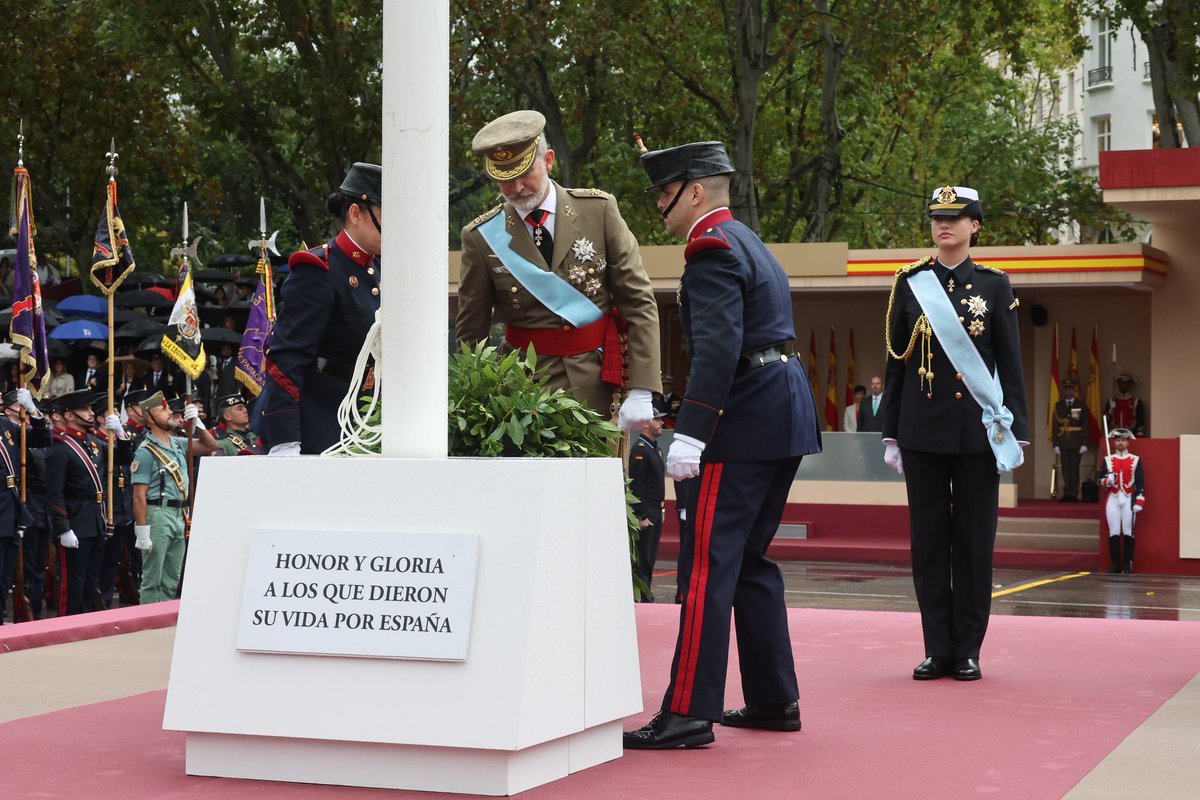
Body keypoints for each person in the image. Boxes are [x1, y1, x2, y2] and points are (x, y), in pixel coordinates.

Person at [623, 141, 821, 750]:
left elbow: (717, 348)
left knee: (706, 567)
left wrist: (693, 434)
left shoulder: (708, 249)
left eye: (665, 192)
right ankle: (772, 697)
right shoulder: (748, 241)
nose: (660, 204)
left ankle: (687, 711)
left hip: (741, 424)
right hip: (781, 415)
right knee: (751, 562)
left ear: (696, 192)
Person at [880, 185, 1028, 682]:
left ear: (975, 226)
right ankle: (936, 647)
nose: (944, 226)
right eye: (936, 218)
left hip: (976, 434)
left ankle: (967, 648)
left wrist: (1017, 431)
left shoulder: (995, 285)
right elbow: (896, 364)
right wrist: (892, 432)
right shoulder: (910, 283)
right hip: (922, 432)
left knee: (972, 543)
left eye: (956, 218)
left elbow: (1010, 364)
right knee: (927, 543)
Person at [456, 110, 661, 429]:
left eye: (525, 173)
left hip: (595, 386)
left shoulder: (599, 211)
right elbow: (472, 332)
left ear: (548, 160)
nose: (517, 187)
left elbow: (638, 302)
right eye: (505, 179)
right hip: (519, 392)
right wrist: (475, 401)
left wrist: (643, 389)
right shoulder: (481, 237)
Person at [259, 162, 382, 456]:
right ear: (355, 214)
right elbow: (287, 356)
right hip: (320, 422)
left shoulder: (379, 269)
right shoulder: (319, 269)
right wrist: (285, 438)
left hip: (367, 420)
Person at [45, 389, 131, 615]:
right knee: (73, 584)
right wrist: (63, 528)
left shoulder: (93, 444)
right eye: (84, 409)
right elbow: (54, 493)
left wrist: (121, 434)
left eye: (91, 408)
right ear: (69, 415)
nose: (91, 413)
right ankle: (68, 627)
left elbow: (122, 459)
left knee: (90, 582)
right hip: (75, 521)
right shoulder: (60, 448)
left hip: (96, 519)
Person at [132, 391, 218, 603]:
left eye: (169, 408)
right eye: (163, 409)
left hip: (179, 514)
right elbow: (138, 496)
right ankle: (148, 624)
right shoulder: (145, 451)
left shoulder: (178, 443)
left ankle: (163, 622)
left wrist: (197, 423)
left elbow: (210, 446)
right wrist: (142, 532)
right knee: (153, 579)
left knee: (172, 577)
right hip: (157, 514)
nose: (170, 412)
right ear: (149, 418)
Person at [0, 388, 51, 622]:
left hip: (10, 506)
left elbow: (42, 439)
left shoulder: (6, 427)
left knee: (4, 574)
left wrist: (32, 410)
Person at [629, 400, 668, 602]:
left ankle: (647, 592)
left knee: (651, 556)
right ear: (645, 423)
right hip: (647, 511)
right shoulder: (640, 449)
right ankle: (643, 596)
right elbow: (638, 485)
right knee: (643, 557)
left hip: (656, 508)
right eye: (657, 419)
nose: (661, 422)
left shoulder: (655, 449)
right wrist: (642, 515)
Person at [1098, 428, 1145, 574]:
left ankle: (1127, 564)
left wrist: (1139, 501)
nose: (1120, 443)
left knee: (1128, 531)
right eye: (1118, 440)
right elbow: (1100, 481)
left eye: (1123, 440)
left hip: (1129, 497)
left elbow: (1140, 482)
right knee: (1114, 531)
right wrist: (1108, 480)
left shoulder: (1135, 459)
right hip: (1113, 497)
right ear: (1114, 442)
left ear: (1128, 442)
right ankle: (1115, 564)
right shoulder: (1108, 460)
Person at [1052, 377, 1089, 502]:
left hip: (1076, 441)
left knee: (1074, 468)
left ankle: (1074, 493)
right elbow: (1055, 425)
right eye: (1066, 388)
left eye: (1071, 388)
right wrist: (1055, 443)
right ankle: (1067, 493)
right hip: (1063, 441)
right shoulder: (1059, 406)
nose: (1068, 391)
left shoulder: (1080, 405)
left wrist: (1084, 443)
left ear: (1074, 390)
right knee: (1065, 469)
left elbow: (1085, 425)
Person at [1107, 373, 1147, 438]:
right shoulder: (1111, 400)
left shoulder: (1136, 401)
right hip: (1114, 435)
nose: (1122, 385)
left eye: (1125, 383)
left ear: (1129, 385)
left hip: (1131, 434)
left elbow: (1140, 421)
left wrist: (1139, 436)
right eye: (1120, 383)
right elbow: (1107, 419)